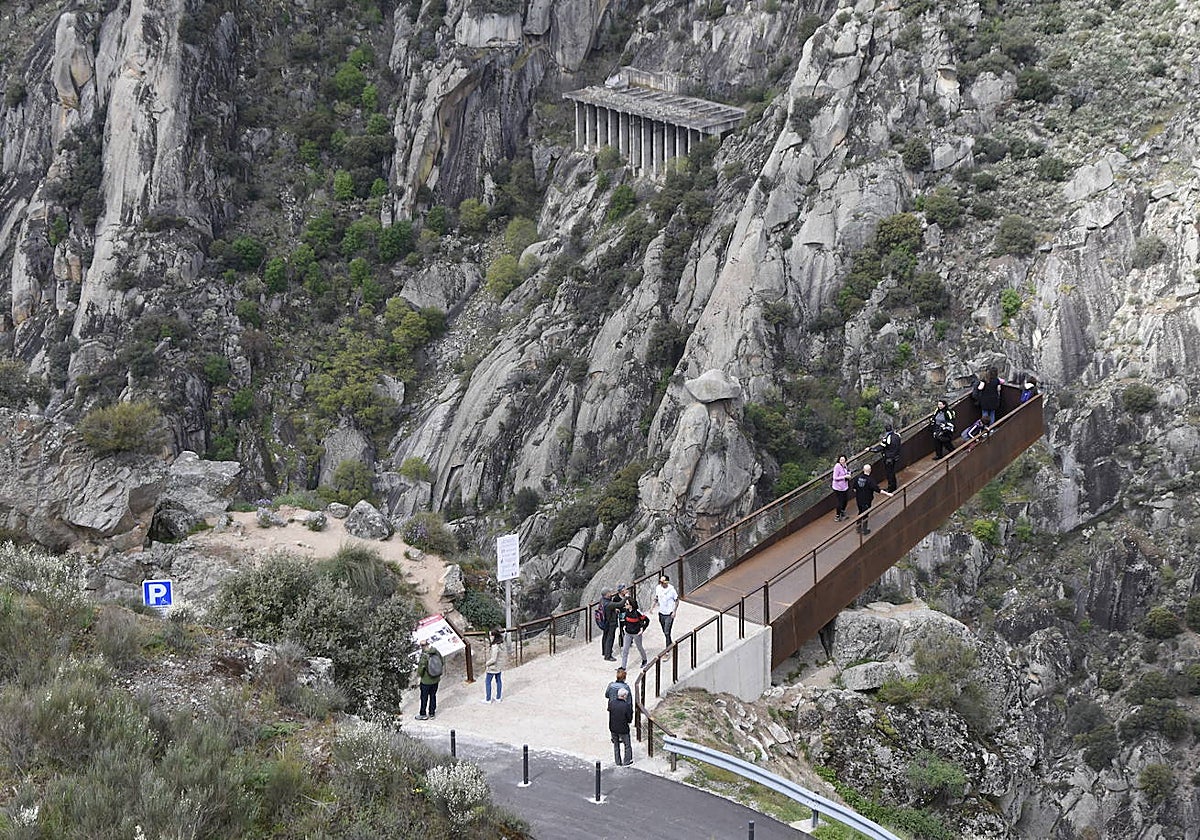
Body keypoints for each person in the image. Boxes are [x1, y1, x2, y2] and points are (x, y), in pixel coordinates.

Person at [852, 463, 893, 535]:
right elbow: (878, 490)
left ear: (863, 470)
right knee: (865, 515)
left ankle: (858, 527)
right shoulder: (870, 480)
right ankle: (864, 530)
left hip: (859, 499)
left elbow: (854, 488)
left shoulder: (857, 478)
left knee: (860, 512)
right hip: (867, 500)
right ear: (870, 470)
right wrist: (887, 494)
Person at [416, 639, 443, 720]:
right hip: (436, 680)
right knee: (433, 696)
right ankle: (432, 713)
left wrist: (420, 675)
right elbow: (442, 662)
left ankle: (423, 714)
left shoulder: (424, 656)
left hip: (426, 681)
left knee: (424, 698)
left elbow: (421, 670)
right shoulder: (436, 651)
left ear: (422, 646)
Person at [871, 423, 902, 492]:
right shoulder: (897, 435)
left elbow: (880, 447)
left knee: (889, 473)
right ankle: (894, 486)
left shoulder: (887, 438)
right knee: (892, 472)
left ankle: (891, 488)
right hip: (895, 457)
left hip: (889, 458)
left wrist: (871, 449)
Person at [619, 598, 648, 669]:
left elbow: (647, 620)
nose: (625, 605)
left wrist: (642, 629)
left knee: (639, 647)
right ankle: (623, 667)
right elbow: (625, 619)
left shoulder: (637, 612)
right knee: (625, 650)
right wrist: (624, 626)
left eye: (627, 604)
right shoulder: (626, 611)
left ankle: (644, 660)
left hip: (636, 634)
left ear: (631, 605)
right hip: (628, 633)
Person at [608, 687, 634, 766]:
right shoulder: (626, 706)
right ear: (624, 696)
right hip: (623, 728)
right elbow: (629, 718)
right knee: (627, 745)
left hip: (613, 728)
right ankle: (627, 761)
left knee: (616, 745)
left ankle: (618, 762)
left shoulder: (611, 703)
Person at [482, 629, 505, 704]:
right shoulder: (501, 643)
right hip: (499, 666)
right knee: (498, 681)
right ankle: (498, 697)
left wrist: (486, 663)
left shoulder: (495, 646)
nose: (489, 637)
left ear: (494, 636)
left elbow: (493, 659)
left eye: (490, 635)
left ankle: (488, 699)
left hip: (493, 667)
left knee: (488, 682)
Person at [600, 589, 621, 661]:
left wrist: (614, 610)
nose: (611, 594)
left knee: (605, 636)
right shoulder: (608, 604)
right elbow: (620, 604)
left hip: (604, 622)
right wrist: (626, 597)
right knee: (610, 638)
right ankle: (608, 656)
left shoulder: (602, 600)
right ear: (606, 594)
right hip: (610, 623)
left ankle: (604, 651)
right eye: (609, 593)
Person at [831, 455, 851, 521]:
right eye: (841, 460)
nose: (843, 461)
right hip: (838, 488)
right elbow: (835, 478)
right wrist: (844, 477)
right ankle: (837, 516)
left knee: (845, 500)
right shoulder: (837, 466)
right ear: (839, 460)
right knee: (840, 502)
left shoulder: (845, 465)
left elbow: (847, 471)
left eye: (844, 460)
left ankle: (842, 511)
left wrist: (848, 474)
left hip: (845, 486)